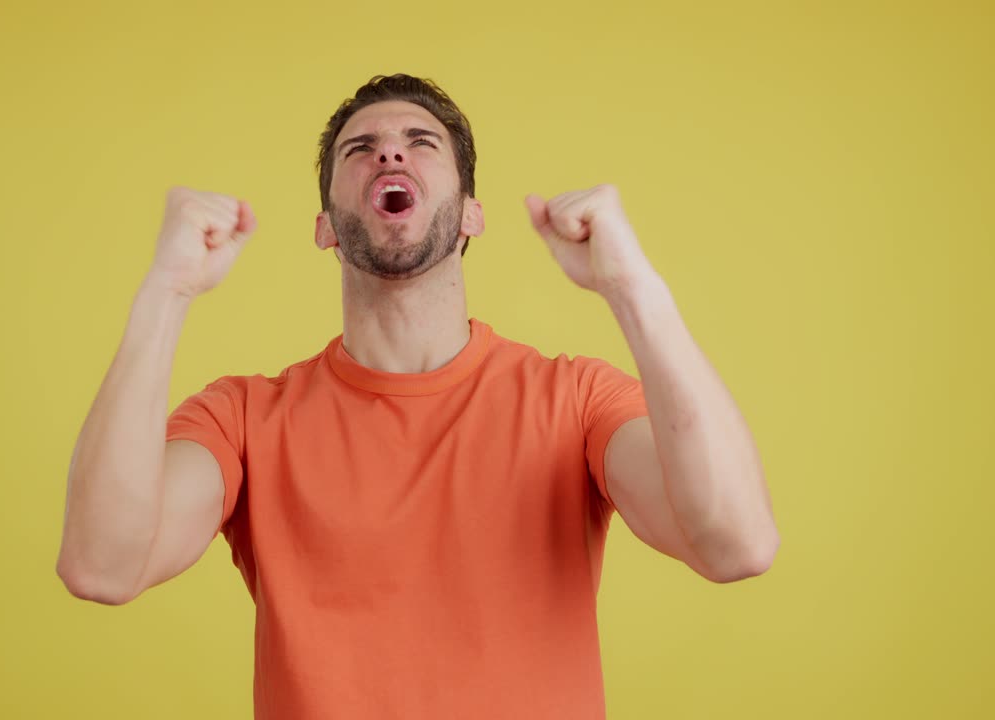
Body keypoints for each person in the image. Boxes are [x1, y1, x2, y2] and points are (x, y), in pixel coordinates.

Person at [57, 73, 779, 719]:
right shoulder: (244, 419)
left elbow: (737, 544)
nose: (389, 154)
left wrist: (632, 290)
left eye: (419, 142)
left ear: (470, 214)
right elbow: (102, 565)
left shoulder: (575, 400)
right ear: (326, 228)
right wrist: (167, 292)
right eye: (359, 148)